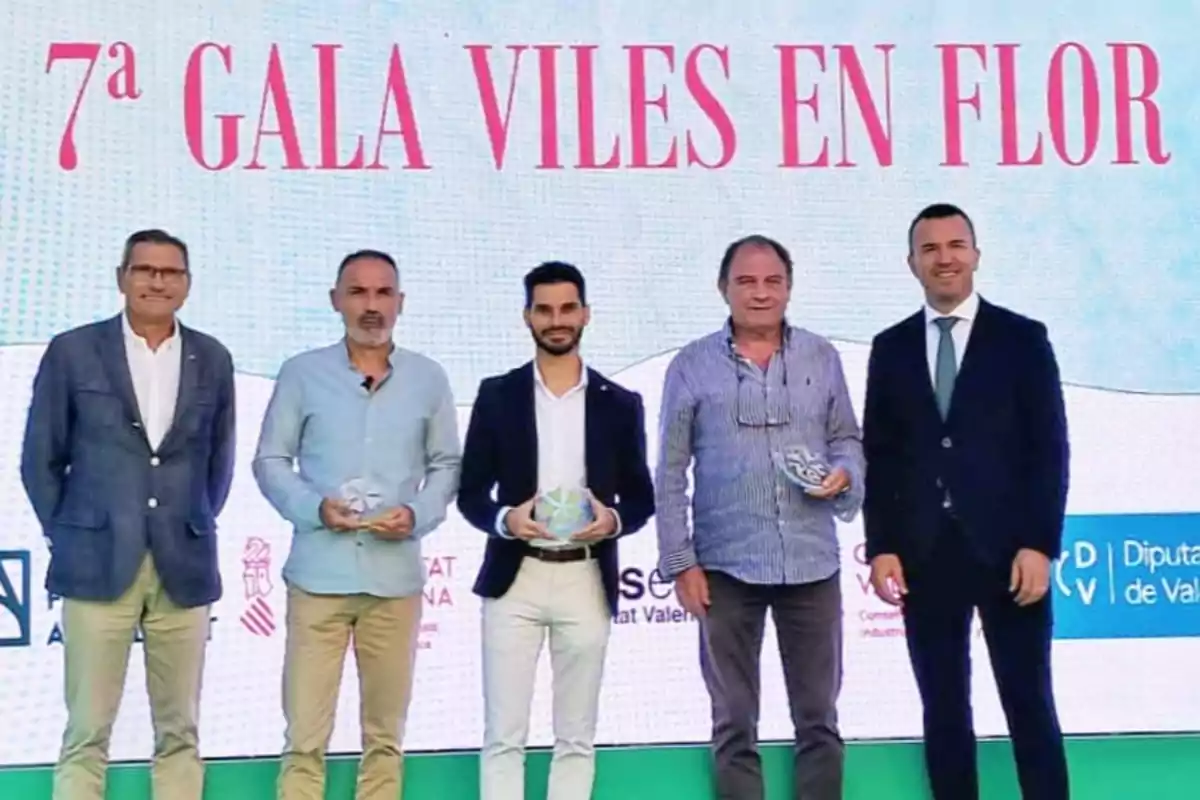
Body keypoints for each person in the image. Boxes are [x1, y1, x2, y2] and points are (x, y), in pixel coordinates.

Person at [862, 203, 1070, 800]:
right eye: (930, 249)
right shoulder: (891, 347)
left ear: (976, 255)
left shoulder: (1022, 339)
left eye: (955, 245)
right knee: (944, 710)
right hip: (926, 555)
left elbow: (1048, 449)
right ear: (912, 263)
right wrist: (882, 547)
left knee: (1029, 703)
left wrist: (1039, 544)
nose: (944, 258)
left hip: (1009, 554)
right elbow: (881, 455)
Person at [20, 228, 236, 800]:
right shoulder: (74, 351)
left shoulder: (213, 358)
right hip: (96, 562)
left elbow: (218, 464)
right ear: (122, 278)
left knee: (180, 731)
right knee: (87, 730)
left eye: (171, 273)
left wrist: (187, 521)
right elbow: (40, 459)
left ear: (187, 284)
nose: (157, 282)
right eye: (145, 270)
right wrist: (71, 533)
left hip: (183, 563)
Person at [655, 235, 864, 800]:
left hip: (812, 563)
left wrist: (844, 473)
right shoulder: (691, 366)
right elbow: (670, 470)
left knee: (819, 720)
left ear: (789, 288)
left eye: (773, 281)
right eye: (746, 282)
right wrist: (680, 562)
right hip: (725, 567)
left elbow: (846, 437)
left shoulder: (822, 356)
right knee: (733, 723)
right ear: (722, 288)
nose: (760, 293)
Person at [252, 249, 460, 800]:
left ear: (400, 302)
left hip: (394, 582)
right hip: (318, 579)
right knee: (304, 738)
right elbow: (270, 459)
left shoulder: (428, 378)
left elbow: (447, 464)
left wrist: (417, 515)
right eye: (358, 292)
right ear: (335, 300)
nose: (371, 306)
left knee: (385, 739)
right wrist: (314, 508)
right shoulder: (302, 374)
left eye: (383, 293)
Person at [457, 261, 655, 800]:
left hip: (586, 578)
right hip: (514, 578)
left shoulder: (620, 403)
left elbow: (641, 498)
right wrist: (506, 519)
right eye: (544, 310)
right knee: (503, 735)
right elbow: (470, 494)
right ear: (527, 317)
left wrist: (611, 521)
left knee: (576, 737)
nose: (556, 320)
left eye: (567, 308)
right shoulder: (497, 395)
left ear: (586, 314)